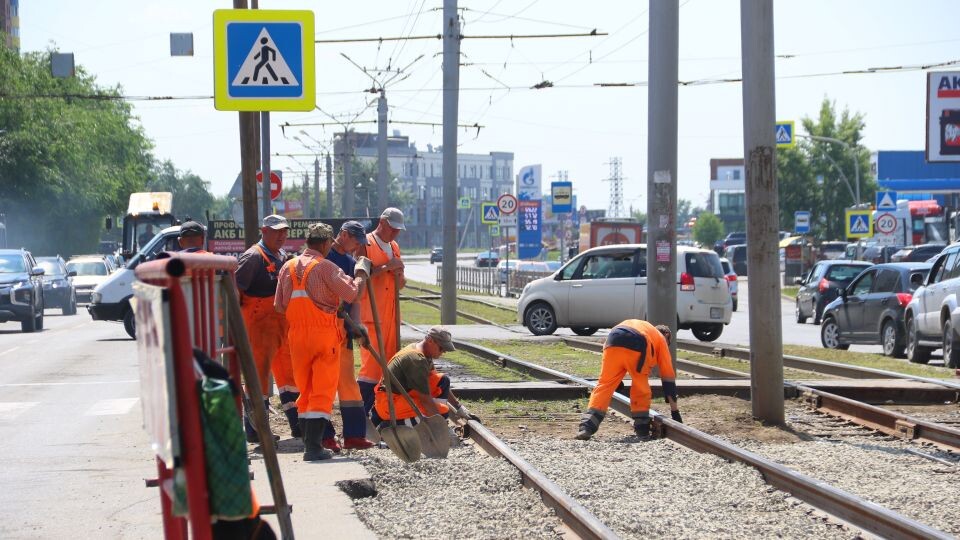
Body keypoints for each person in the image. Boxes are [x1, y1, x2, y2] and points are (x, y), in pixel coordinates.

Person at [274, 223, 370, 461]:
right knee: (322, 390)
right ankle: (315, 448)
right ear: (327, 244)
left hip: (296, 338)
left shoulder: (288, 266)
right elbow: (353, 294)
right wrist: (360, 274)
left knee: (305, 390)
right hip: (323, 336)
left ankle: (310, 444)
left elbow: (279, 305)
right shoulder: (327, 267)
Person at [235, 215, 299, 442]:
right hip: (258, 327)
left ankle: (297, 425)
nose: (282, 235)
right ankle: (255, 431)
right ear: (263, 231)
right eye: (276, 231)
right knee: (259, 379)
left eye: (284, 231)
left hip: (279, 326)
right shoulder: (253, 257)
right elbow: (235, 291)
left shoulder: (281, 256)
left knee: (289, 376)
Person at [575, 320, 683, 441]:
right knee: (640, 386)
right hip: (638, 342)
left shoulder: (643, 326)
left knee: (605, 384)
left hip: (613, 339)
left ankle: (586, 427)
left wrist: (616, 379)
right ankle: (642, 430)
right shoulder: (661, 339)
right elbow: (668, 377)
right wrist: (675, 412)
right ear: (667, 335)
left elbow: (613, 352)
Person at [322, 221, 376, 451]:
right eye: (355, 241)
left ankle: (354, 434)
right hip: (323, 329)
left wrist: (358, 327)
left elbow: (356, 298)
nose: (357, 246)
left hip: (342, 329)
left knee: (348, 384)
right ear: (343, 235)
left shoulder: (351, 262)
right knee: (323, 383)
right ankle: (324, 436)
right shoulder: (326, 258)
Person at [356, 207, 406, 414]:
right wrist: (387, 268)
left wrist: (400, 274)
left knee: (391, 363)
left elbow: (400, 284)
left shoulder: (394, 246)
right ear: (382, 222)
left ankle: (381, 410)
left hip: (391, 315)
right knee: (372, 365)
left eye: (398, 230)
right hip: (371, 314)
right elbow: (359, 277)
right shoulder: (365, 244)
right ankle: (363, 411)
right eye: (393, 228)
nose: (395, 233)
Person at [370, 326, 457, 429]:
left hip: (396, 398)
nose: (444, 352)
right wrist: (440, 425)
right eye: (441, 348)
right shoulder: (417, 360)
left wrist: (458, 407)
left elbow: (435, 380)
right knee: (441, 412)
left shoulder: (420, 350)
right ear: (430, 340)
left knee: (442, 381)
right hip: (389, 404)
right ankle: (387, 426)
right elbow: (425, 400)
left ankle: (430, 423)